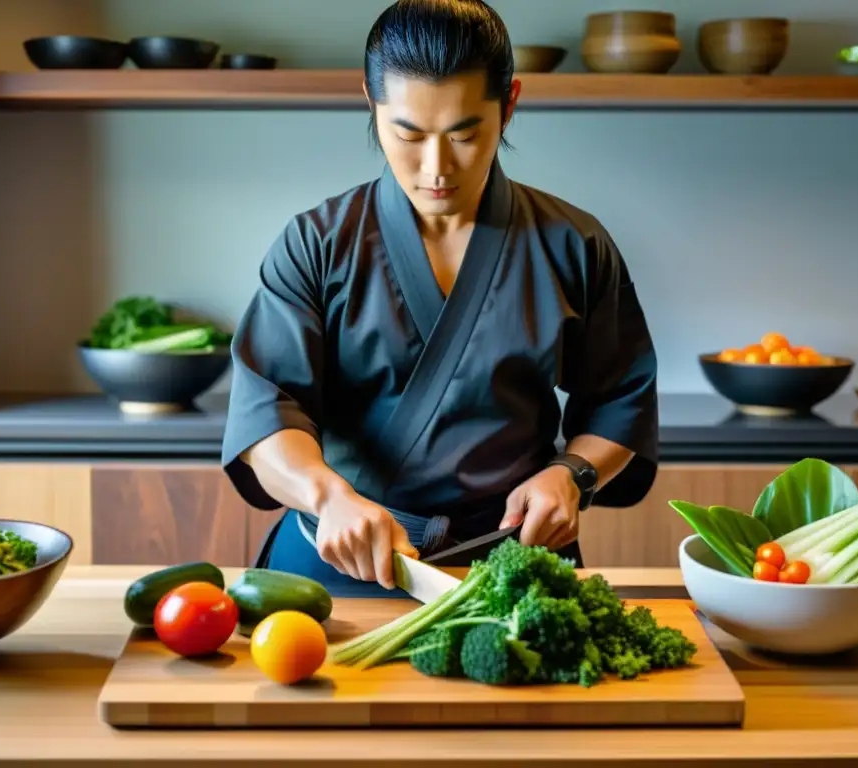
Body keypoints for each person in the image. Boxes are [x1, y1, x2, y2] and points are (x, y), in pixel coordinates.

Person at [221, 0, 659, 597]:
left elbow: (619, 399)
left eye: (464, 133)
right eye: (408, 132)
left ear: (509, 105)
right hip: (342, 554)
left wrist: (572, 474)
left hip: (509, 565)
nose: (436, 167)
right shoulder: (316, 244)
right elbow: (265, 410)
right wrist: (329, 497)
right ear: (371, 105)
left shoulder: (574, 242)